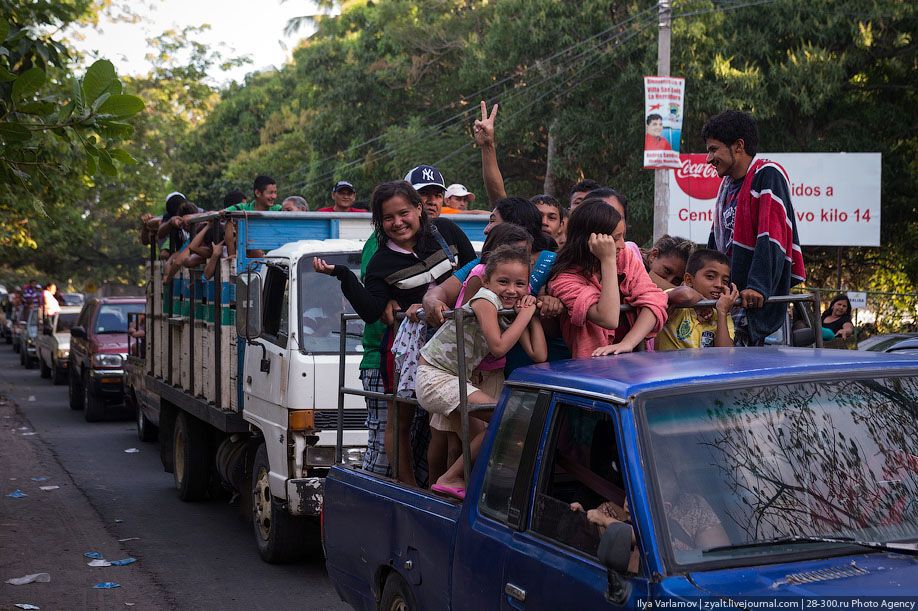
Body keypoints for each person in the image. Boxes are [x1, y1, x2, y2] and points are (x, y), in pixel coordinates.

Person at [313, 180, 476, 486]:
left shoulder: (448, 233)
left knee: (447, 425)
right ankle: (409, 488)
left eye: (404, 213)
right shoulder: (380, 263)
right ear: (379, 222)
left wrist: (440, 296)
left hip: (459, 343)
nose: (398, 223)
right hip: (411, 351)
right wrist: (343, 275)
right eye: (388, 218)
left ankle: (444, 488)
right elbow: (372, 311)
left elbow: (476, 270)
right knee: (399, 419)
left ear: (418, 209)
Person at [419, 245, 547, 499]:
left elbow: (539, 355)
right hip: (434, 376)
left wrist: (529, 315)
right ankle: (450, 478)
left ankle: (466, 488)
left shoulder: (508, 309)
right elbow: (498, 347)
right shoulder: (485, 300)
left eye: (520, 283)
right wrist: (526, 314)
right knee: (505, 416)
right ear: (486, 281)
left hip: (454, 378)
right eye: (503, 281)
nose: (511, 289)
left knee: (495, 432)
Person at [702, 110, 806, 345]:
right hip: (729, 301)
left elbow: (772, 235)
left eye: (713, 149)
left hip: (751, 305)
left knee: (738, 376)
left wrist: (758, 286)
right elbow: (716, 246)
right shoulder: (726, 188)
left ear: (738, 146)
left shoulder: (767, 174)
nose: (709, 159)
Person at [547, 200, 668, 358]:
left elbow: (654, 299)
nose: (623, 245)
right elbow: (608, 318)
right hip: (592, 366)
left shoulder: (625, 257)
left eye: (623, 236)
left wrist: (628, 343)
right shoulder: (563, 279)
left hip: (634, 360)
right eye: (616, 238)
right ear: (592, 240)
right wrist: (608, 261)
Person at [657, 249, 739, 350]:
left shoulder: (720, 311)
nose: (719, 284)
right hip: (668, 365)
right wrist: (702, 300)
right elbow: (685, 294)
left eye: (725, 281)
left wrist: (722, 312)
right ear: (689, 280)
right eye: (710, 277)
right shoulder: (677, 302)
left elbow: (725, 355)